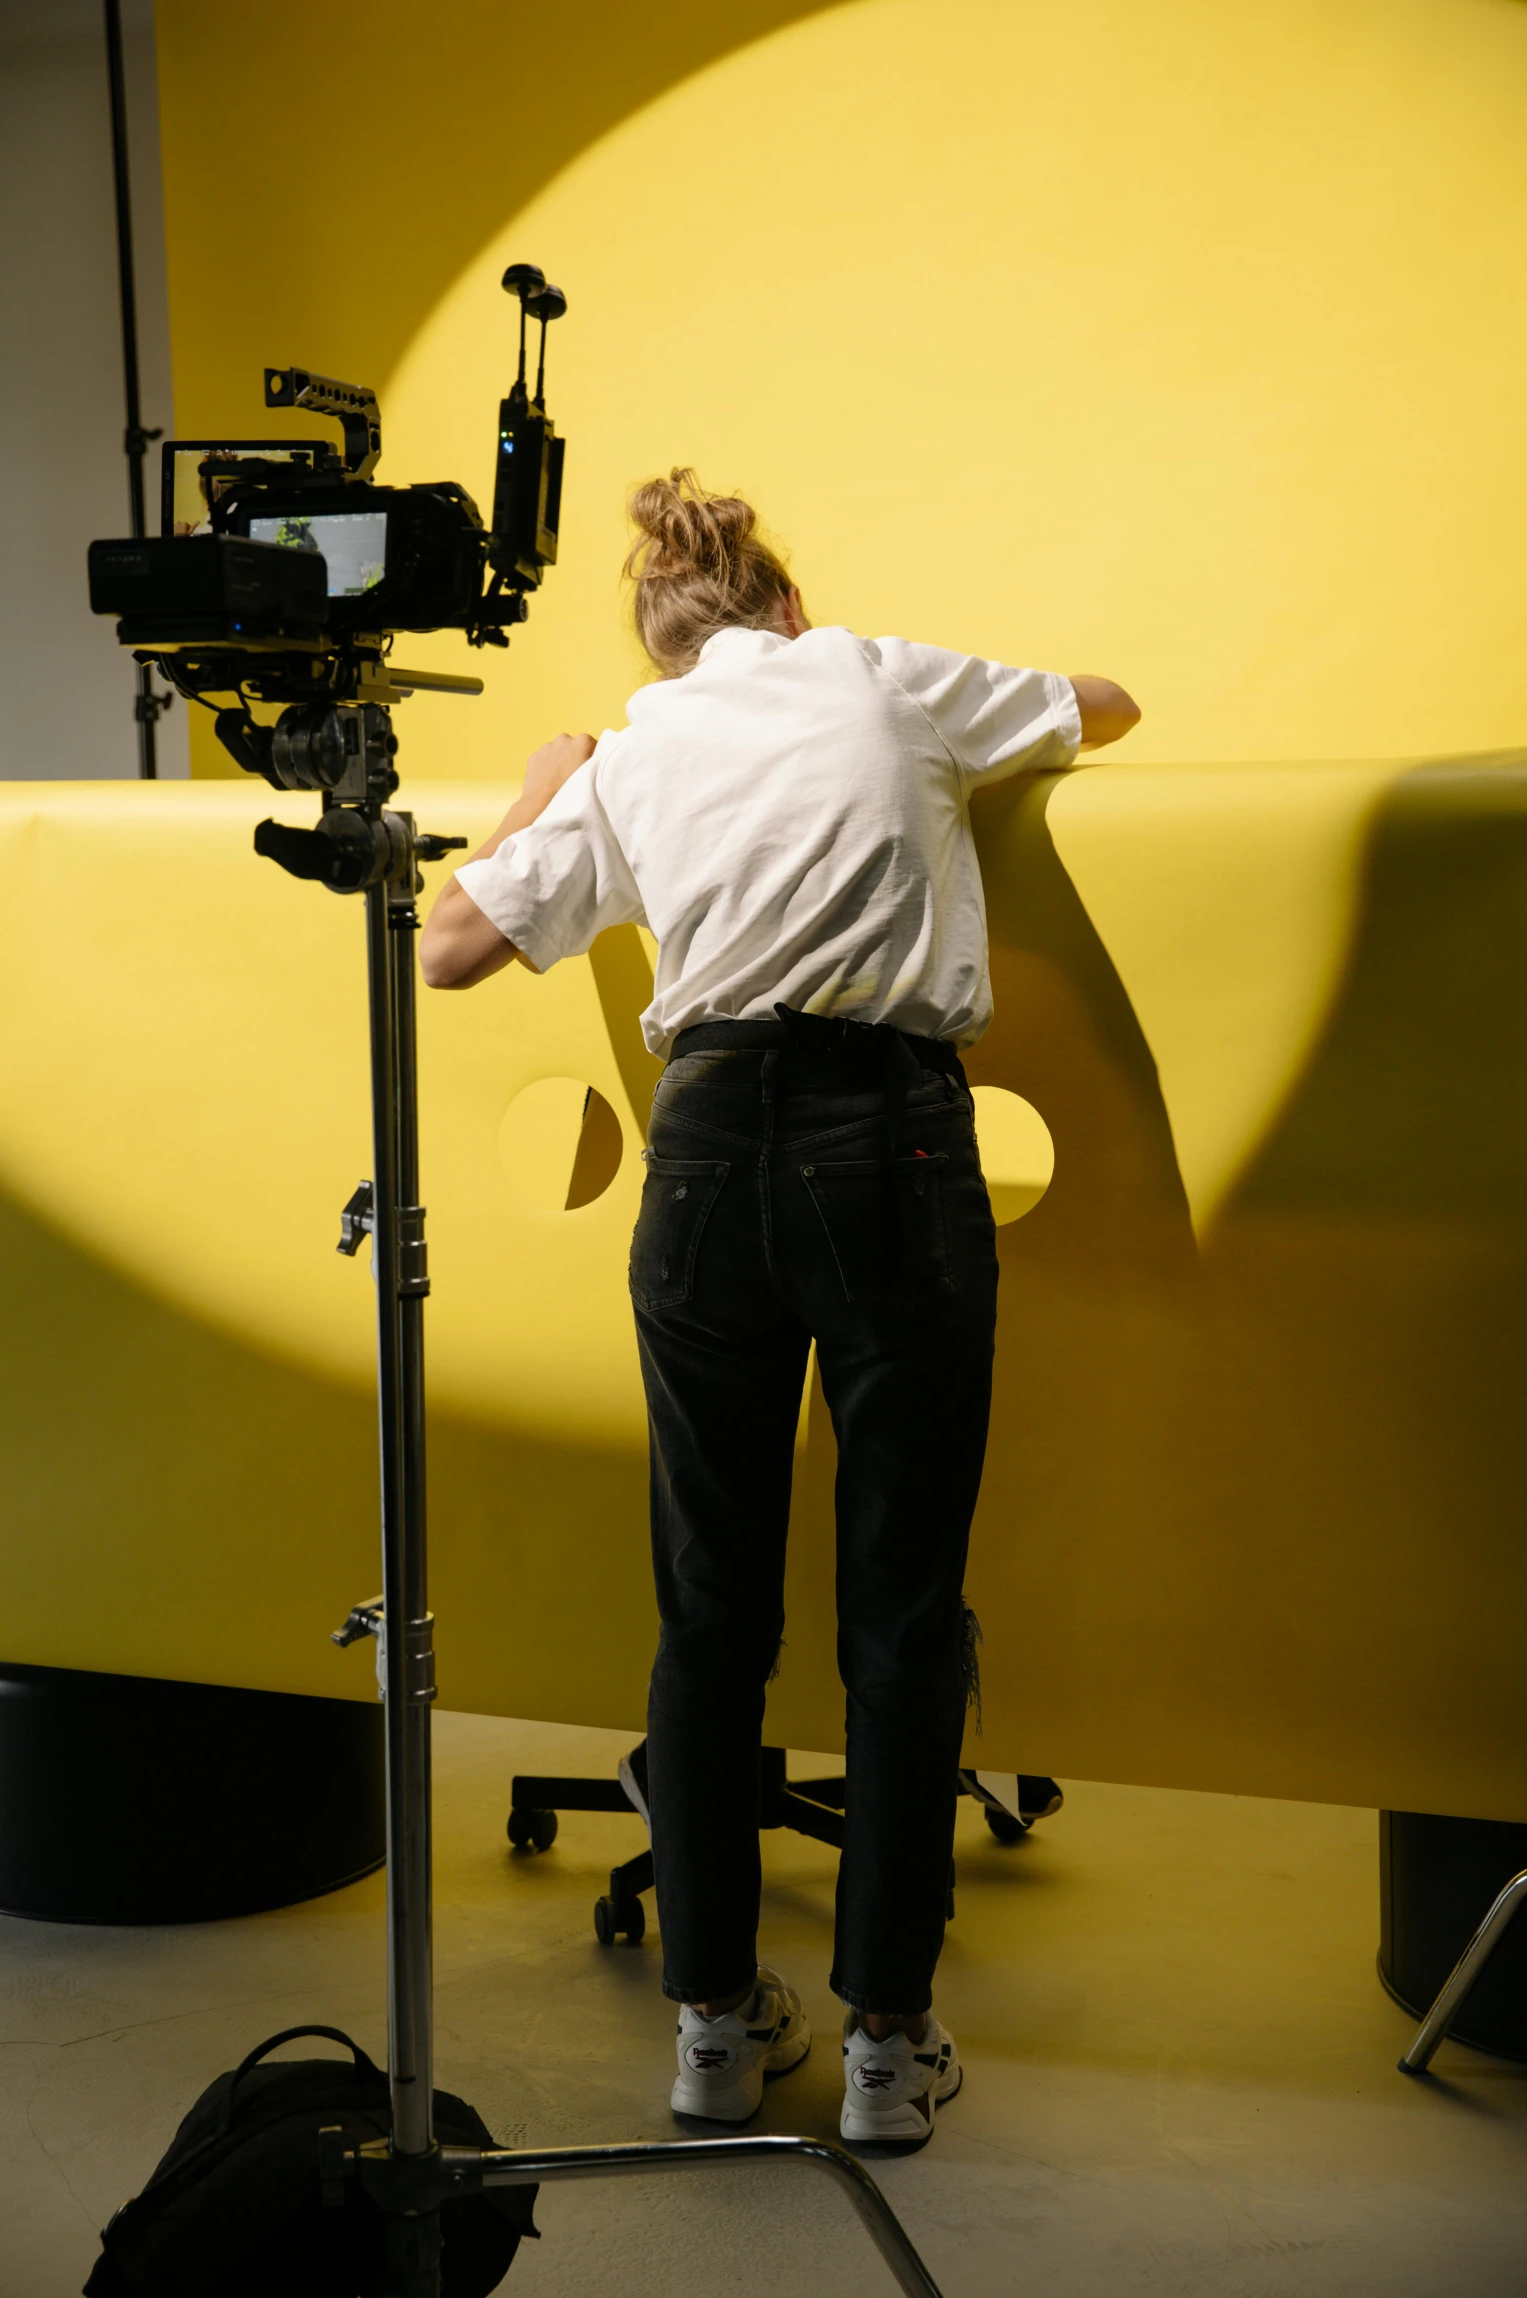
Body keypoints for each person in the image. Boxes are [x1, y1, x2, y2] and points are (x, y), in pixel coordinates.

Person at [420, 469, 1140, 2149]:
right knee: (898, 1605)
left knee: (707, 1610)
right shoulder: (878, 675)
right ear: (787, 608)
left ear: (667, 642)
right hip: (886, 1140)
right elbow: (1105, 703)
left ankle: (710, 2031)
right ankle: (888, 2042)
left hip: (702, 1152)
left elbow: (449, 947)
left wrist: (543, 790)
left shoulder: (637, 748)